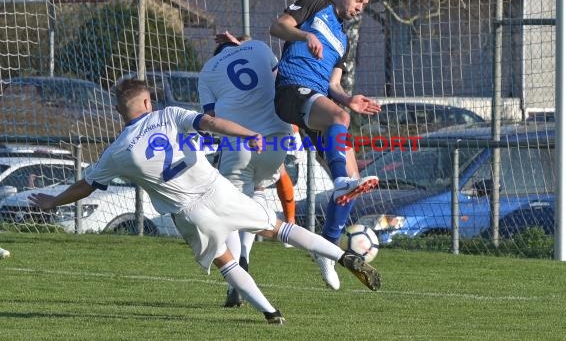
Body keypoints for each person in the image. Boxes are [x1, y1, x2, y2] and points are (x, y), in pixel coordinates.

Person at [28, 79, 381, 325]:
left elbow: (86, 186)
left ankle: (272, 313)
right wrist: (249, 134)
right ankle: (343, 256)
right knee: (280, 229)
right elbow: (210, 122)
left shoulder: (117, 152)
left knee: (228, 263)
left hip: (189, 212)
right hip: (217, 189)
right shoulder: (166, 115)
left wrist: (53, 202)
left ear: (120, 110)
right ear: (148, 102)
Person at [270, 0, 381, 290]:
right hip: (291, 91)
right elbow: (277, 27)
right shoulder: (316, 3)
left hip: (316, 100)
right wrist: (305, 37)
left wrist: (350, 98)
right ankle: (342, 183)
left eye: (365, 4)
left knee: (350, 174)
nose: (360, 7)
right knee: (339, 119)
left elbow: (333, 85)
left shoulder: (344, 41)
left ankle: (327, 250)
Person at [198, 31, 293, 307]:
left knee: (228, 210)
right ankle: (248, 255)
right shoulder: (260, 49)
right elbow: (278, 80)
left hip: (240, 143)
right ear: (239, 45)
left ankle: (237, 274)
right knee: (259, 191)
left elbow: (212, 118)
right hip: (277, 140)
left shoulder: (208, 71)